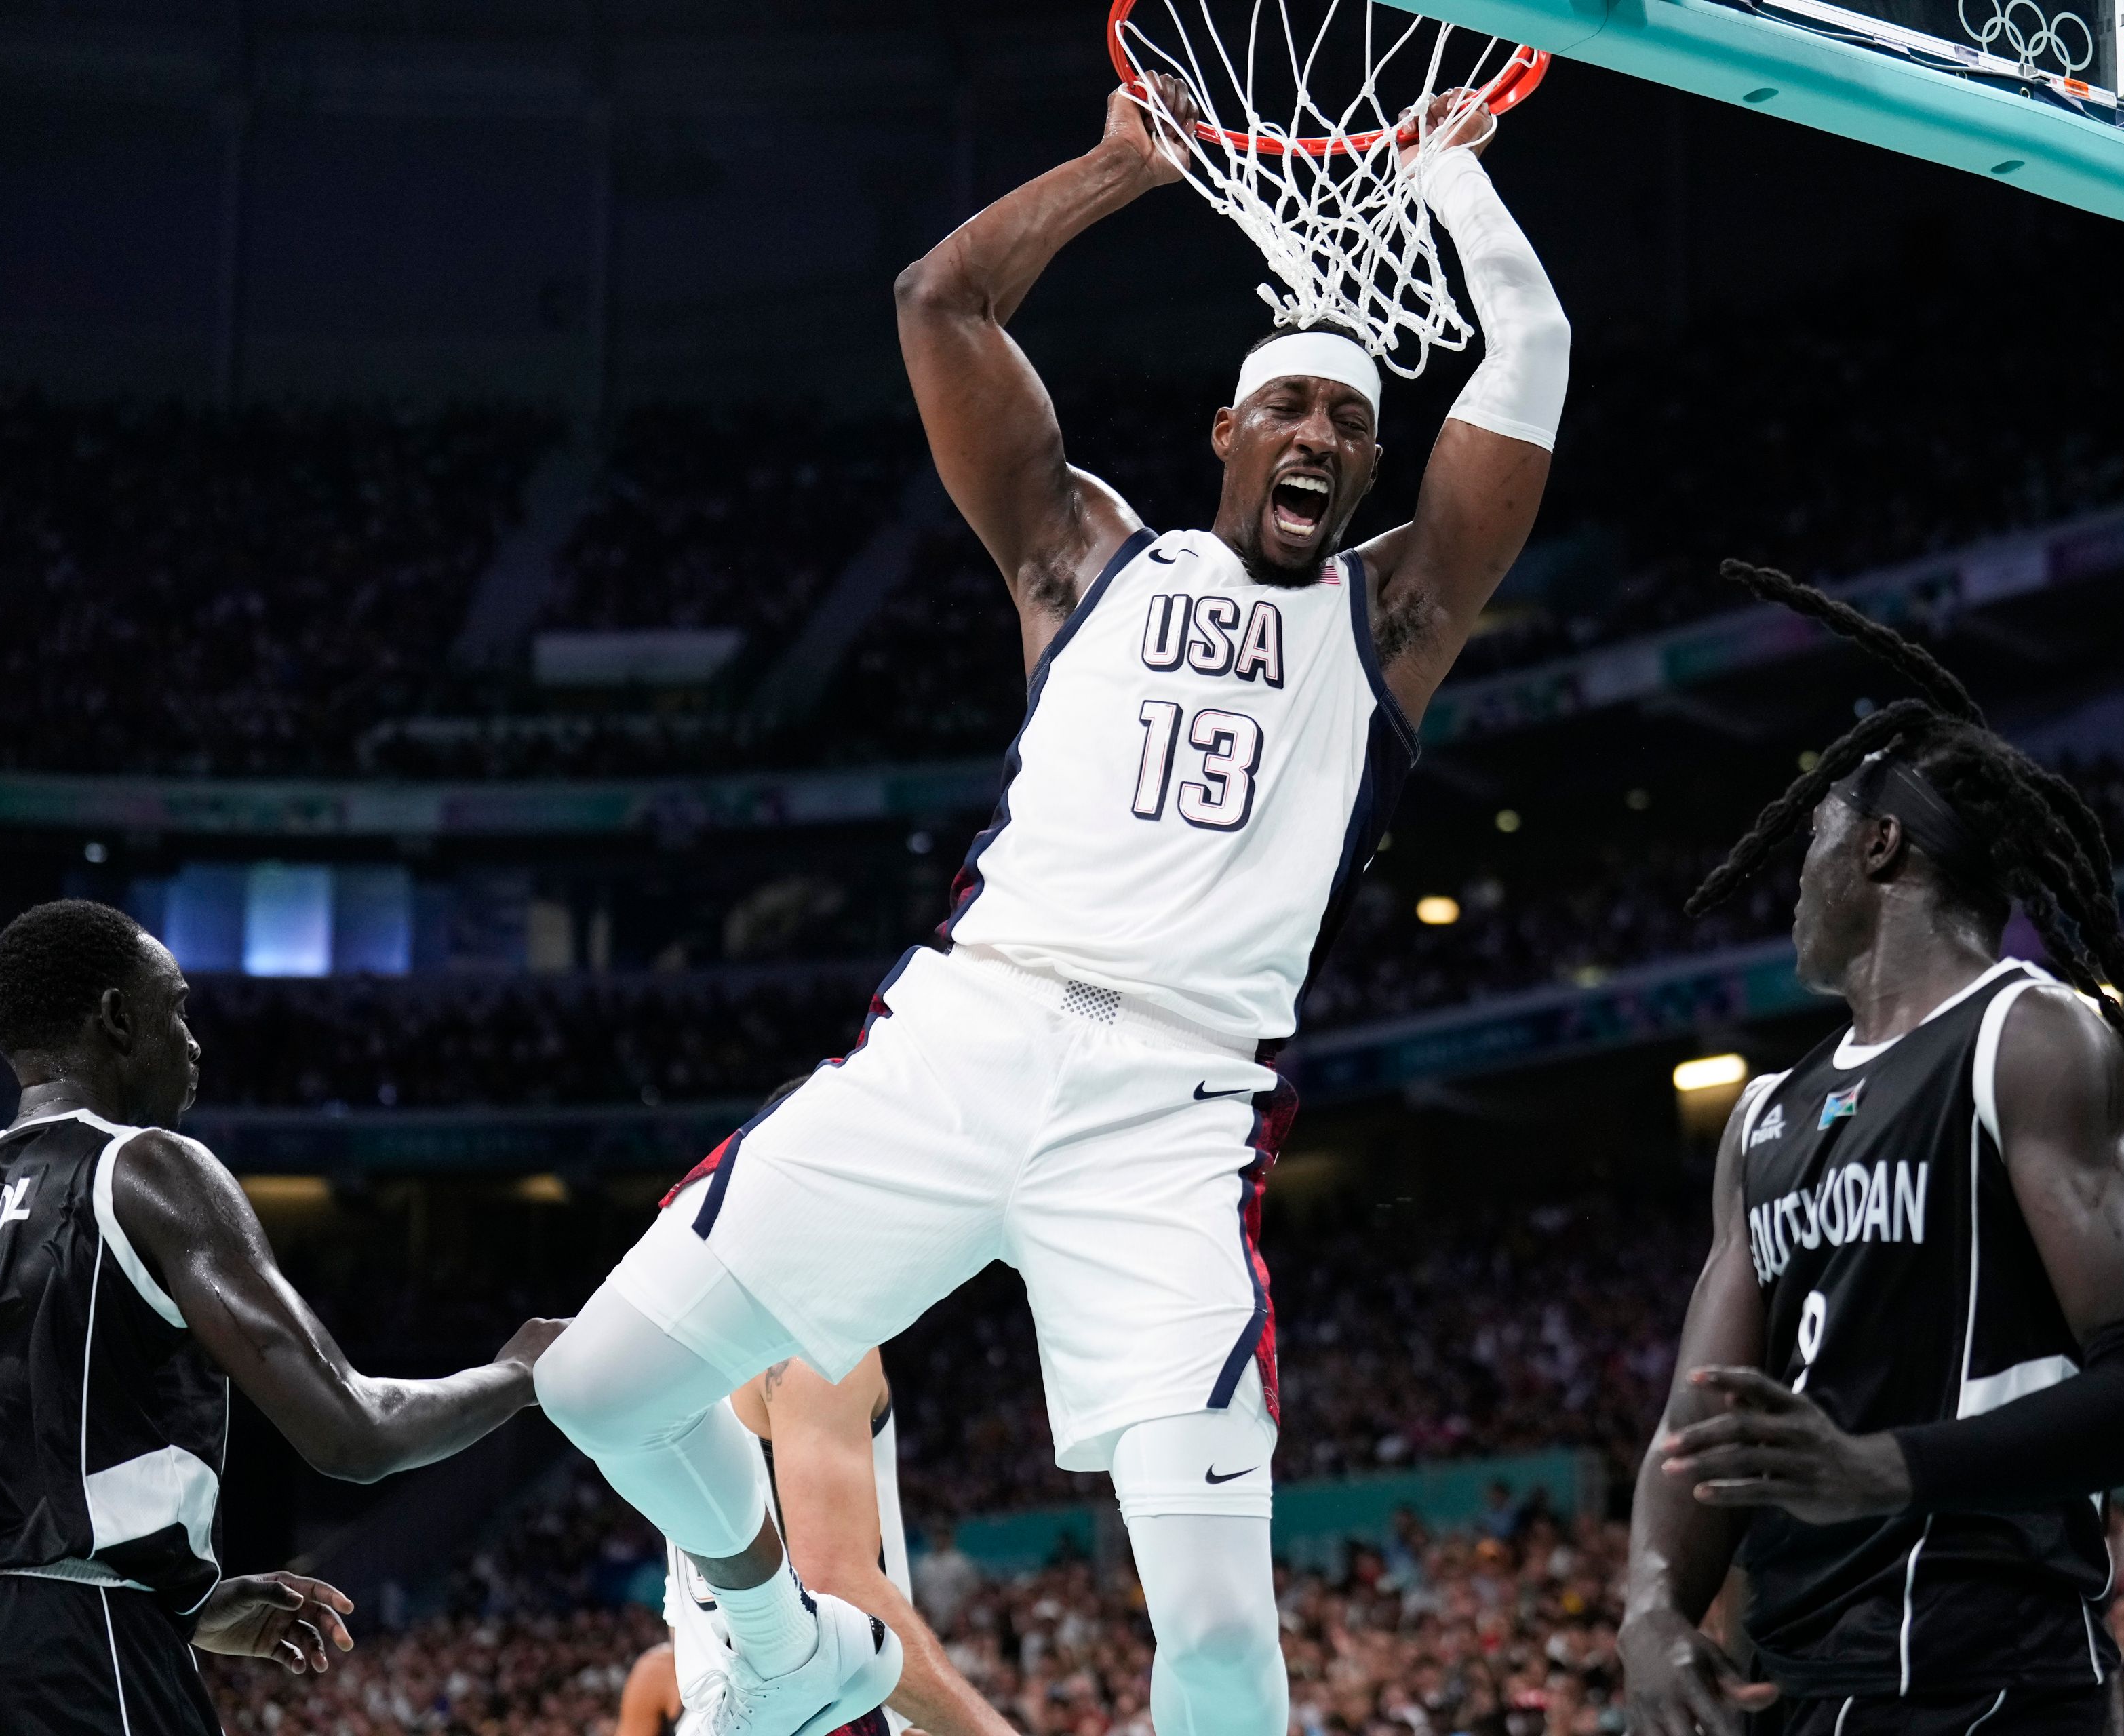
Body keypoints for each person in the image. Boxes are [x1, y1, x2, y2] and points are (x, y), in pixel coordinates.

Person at [533, 69, 1567, 1736]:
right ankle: (782, 1637)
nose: (1321, 432)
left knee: (1227, 1639)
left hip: (1173, 1113)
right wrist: (1114, 168)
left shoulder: (1392, 617)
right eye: (1290, 406)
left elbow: (1523, 366)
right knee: (593, 1384)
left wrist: (1457, 187)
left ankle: (805, 1644)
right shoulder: (1082, 552)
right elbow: (938, 299)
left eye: (1353, 423)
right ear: (1224, 432)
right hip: (966, 1031)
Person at [1614, 565, 2124, 1736]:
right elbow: (1702, 1425)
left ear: (1882, 847)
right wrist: (1650, 1606)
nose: (1794, 873)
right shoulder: (1764, 1115)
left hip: (1983, 1670)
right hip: (1791, 1675)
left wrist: (1886, 1468)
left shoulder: (2028, 1039)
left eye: (1816, 834)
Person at [0, 899, 562, 1735]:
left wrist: (192, 1602)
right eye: (177, 1007)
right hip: (76, 1653)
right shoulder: (147, 1166)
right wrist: (516, 1374)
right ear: (120, 1018)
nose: (193, 1041)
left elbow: (4, 1497)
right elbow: (354, 1432)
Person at [646, 1346, 1015, 1736]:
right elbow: (836, 1585)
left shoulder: (670, 1383)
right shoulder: (810, 1347)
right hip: (827, 1715)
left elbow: (687, 1617)